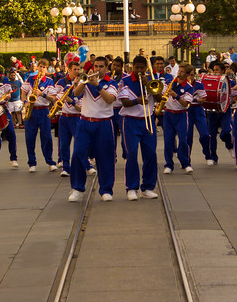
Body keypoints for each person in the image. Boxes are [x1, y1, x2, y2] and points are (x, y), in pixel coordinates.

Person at [68, 56, 118, 202]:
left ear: (107, 68)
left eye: (101, 66)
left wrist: (97, 85)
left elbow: (109, 99)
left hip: (104, 123)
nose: (97, 69)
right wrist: (83, 82)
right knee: (77, 154)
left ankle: (106, 189)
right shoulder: (87, 80)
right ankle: (77, 188)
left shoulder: (112, 83)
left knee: (105, 157)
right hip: (85, 122)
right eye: (95, 66)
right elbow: (76, 94)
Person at [119, 55, 159, 200]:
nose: (140, 71)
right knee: (132, 154)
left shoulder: (152, 80)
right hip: (130, 121)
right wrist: (137, 101)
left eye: (143, 68)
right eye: (137, 68)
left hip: (147, 119)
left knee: (151, 154)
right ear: (132, 67)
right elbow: (124, 103)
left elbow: (160, 99)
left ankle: (148, 187)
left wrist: (150, 86)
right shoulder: (125, 81)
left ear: (147, 68)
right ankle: (132, 187)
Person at [21, 58, 58, 172]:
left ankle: (50, 161)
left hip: (43, 110)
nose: (41, 69)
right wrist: (25, 102)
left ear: (47, 69)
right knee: (30, 138)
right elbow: (23, 93)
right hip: (31, 111)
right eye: (40, 66)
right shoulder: (31, 78)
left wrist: (42, 94)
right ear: (37, 67)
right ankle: (32, 163)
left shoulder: (49, 81)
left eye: (44, 67)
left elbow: (53, 98)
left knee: (46, 137)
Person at [162, 63, 195, 174]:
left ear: (186, 74)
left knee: (183, 141)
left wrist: (176, 95)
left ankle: (185, 163)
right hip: (168, 114)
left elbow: (185, 104)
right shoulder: (170, 83)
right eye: (179, 70)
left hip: (181, 115)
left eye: (181, 72)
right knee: (168, 141)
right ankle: (168, 165)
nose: (178, 73)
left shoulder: (189, 87)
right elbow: (162, 94)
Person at [54, 61, 83, 177]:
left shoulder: (82, 83)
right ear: (69, 70)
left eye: (78, 69)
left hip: (77, 117)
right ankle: (66, 167)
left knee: (80, 143)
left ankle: (83, 165)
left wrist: (72, 100)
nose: (77, 72)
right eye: (75, 69)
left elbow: (81, 107)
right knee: (64, 144)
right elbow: (55, 96)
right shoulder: (61, 82)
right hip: (64, 117)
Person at [186, 70, 213, 164]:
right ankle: (187, 160)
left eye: (192, 75)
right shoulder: (182, 84)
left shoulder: (199, 84)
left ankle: (208, 155)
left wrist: (194, 99)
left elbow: (203, 99)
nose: (190, 77)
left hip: (198, 110)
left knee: (205, 134)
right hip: (187, 110)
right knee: (188, 137)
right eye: (188, 75)